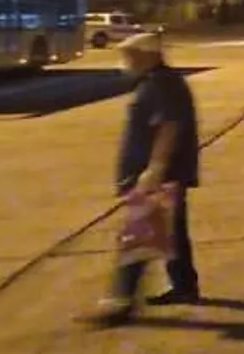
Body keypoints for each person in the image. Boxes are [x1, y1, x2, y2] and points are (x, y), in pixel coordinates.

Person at [83, 31, 202, 325]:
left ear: (147, 55)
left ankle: (119, 302)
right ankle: (184, 287)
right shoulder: (160, 81)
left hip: (159, 176)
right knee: (173, 233)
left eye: (130, 56)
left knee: (140, 236)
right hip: (163, 174)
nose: (126, 62)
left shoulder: (161, 84)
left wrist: (154, 169)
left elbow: (169, 127)